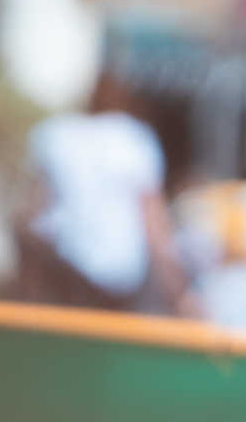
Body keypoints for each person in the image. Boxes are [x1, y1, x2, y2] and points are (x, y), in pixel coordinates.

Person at [15, 74, 194, 315]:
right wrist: (180, 292)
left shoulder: (55, 135)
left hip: (64, 269)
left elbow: (32, 212)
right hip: (117, 278)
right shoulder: (134, 140)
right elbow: (154, 223)